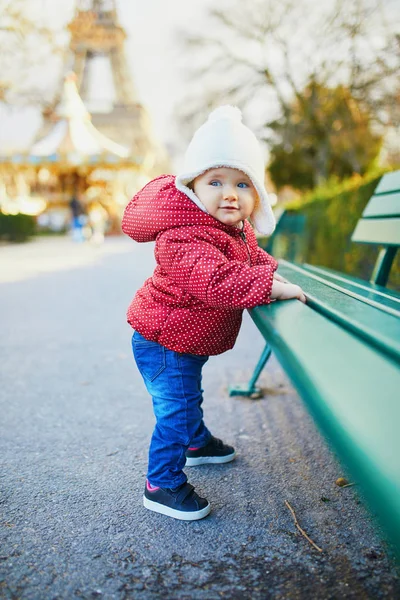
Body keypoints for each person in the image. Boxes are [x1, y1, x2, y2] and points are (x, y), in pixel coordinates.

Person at [122, 106, 306, 521]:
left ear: (256, 194)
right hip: (164, 341)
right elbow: (217, 280)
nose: (230, 193)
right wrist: (269, 286)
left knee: (189, 395)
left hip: (184, 338)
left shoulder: (231, 229)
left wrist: (268, 269)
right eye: (216, 181)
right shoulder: (182, 236)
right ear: (192, 187)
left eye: (243, 183)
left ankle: (196, 442)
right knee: (176, 410)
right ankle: (162, 484)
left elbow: (250, 256)